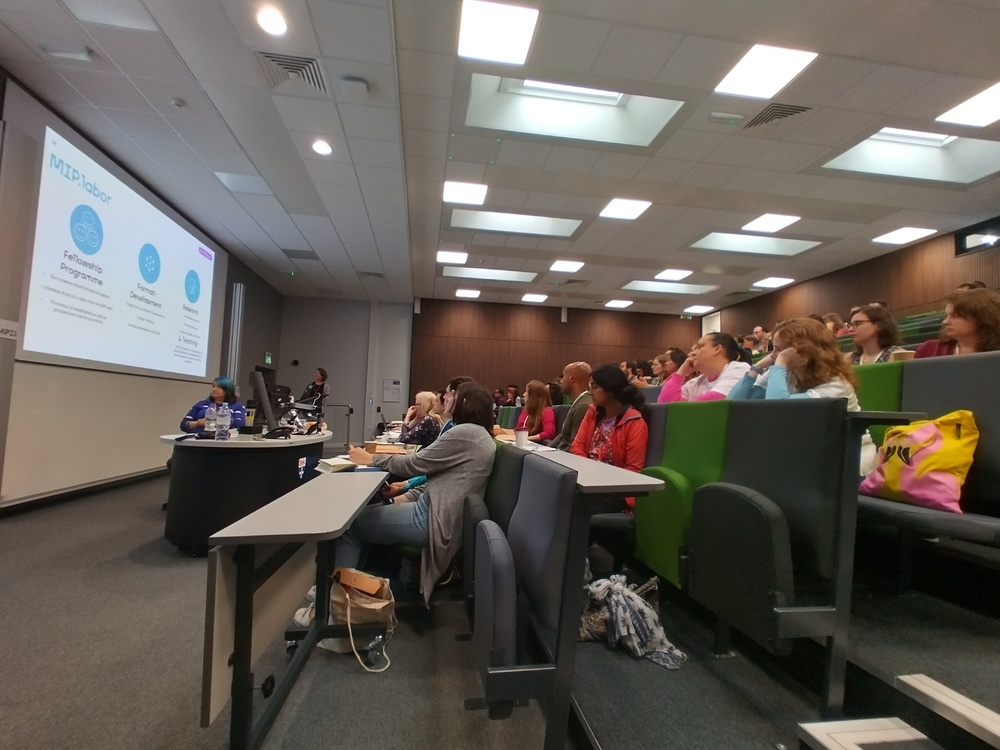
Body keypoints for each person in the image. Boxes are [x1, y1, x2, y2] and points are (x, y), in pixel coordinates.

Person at [341, 382, 496, 604]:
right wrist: (402, 492)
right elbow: (440, 480)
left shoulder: (467, 433)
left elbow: (416, 463)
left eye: (453, 395)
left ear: (465, 402)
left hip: (430, 519)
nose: (445, 399)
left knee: (352, 527)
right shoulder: (476, 434)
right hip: (432, 510)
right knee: (368, 515)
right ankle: (353, 591)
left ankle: (333, 602)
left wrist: (371, 459)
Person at [729, 317, 860, 409]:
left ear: (805, 351)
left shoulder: (836, 386)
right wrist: (756, 367)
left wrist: (781, 361)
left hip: (849, 447)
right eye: (773, 348)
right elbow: (732, 403)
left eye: (780, 350)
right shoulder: (787, 372)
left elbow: (779, 410)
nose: (773, 355)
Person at [571, 364, 648, 512]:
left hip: (615, 490)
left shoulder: (635, 423)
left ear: (610, 389)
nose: (590, 392)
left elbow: (633, 470)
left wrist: (599, 479)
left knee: (573, 505)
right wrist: (587, 473)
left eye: (594, 387)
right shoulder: (593, 413)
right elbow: (577, 446)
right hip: (587, 482)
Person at [658, 332, 750, 403]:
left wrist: (681, 407)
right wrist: (681, 372)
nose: (691, 354)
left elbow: (710, 404)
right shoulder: (696, 381)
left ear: (717, 349)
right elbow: (665, 404)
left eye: (699, 347)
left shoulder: (740, 369)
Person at [915, 288, 1000, 358]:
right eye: (946, 316)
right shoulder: (929, 349)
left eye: (955, 316)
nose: (945, 322)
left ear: (981, 317)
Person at [549, 361, 592, 451]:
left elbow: (573, 446)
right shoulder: (578, 402)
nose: (561, 381)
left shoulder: (583, 406)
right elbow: (563, 435)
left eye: (563, 376)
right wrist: (545, 450)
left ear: (572, 378)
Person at [180, 376, 247, 433]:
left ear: (227, 390)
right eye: (213, 386)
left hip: (221, 441)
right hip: (195, 440)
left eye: (219, 387)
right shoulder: (202, 404)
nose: (214, 389)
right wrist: (198, 423)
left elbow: (240, 424)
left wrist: (213, 422)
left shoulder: (237, 406)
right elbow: (183, 424)